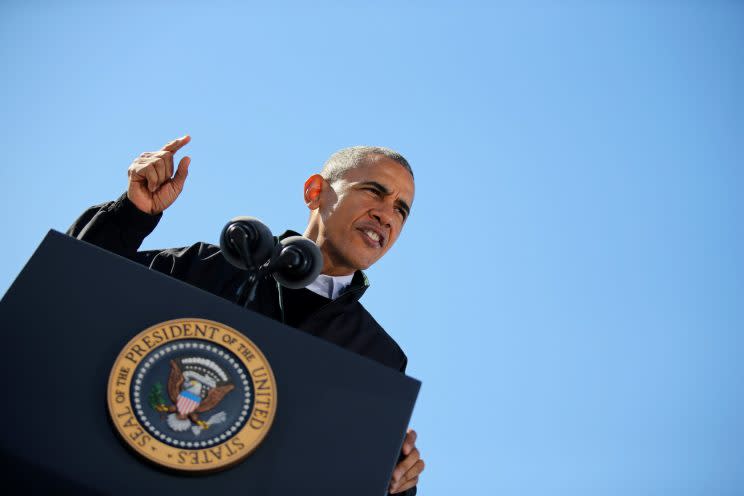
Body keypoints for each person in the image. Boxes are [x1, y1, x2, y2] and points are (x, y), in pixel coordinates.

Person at [67, 135, 425, 494]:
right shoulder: (208, 268)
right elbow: (74, 291)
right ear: (315, 191)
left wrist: (397, 486)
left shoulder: (379, 359)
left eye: (401, 210)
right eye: (374, 192)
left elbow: (359, 474)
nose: (386, 215)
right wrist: (132, 212)